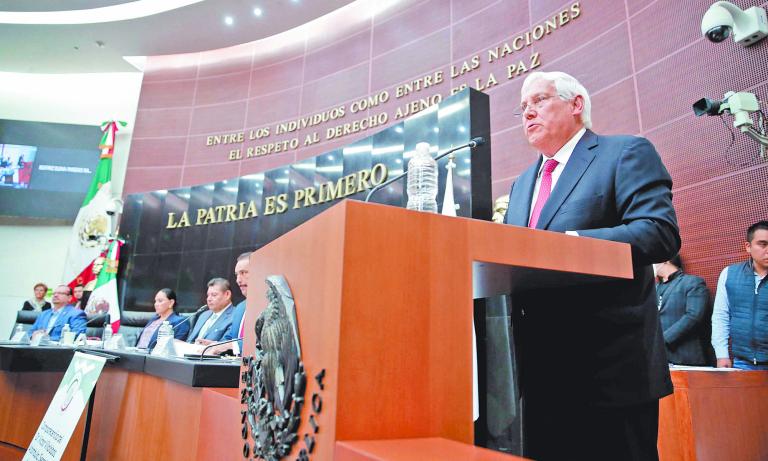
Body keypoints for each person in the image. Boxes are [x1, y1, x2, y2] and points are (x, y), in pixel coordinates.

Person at [503, 71, 680, 460]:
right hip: (538, 377)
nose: (527, 113)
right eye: (522, 108)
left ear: (576, 104)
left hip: (609, 373)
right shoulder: (521, 186)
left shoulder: (624, 153)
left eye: (539, 101)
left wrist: (569, 246)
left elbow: (658, 233)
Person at [712, 221, 768, 370]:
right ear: (748, 247)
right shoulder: (729, 274)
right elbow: (720, 316)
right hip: (742, 362)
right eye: (763, 244)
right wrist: (721, 354)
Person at [655, 255, 713, 366]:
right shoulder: (654, 288)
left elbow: (693, 316)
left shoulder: (692, 282)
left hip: (686, 358)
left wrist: (663, 340)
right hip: (661, 360)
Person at [211, 252, 251, 355]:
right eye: (237, 275)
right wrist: (214, 345)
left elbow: (262, 342)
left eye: (244, 272)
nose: (238, 280)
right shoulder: (240, 307)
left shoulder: (269, 305)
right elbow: (230, 338)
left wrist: (232, 346)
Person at [187, 278, 234, 344]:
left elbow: (227, 345)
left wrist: (212, 345)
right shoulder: (203, 315)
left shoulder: (235, 316)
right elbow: (189, 340)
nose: (209, 299)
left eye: (214, 295)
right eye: (208, 295)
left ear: (227, 294)